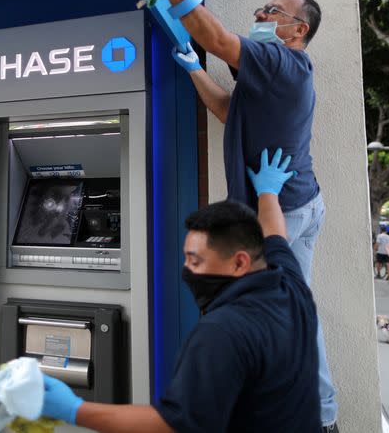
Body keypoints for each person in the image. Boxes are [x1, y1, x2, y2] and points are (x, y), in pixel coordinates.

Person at [154, 0, 337, 429]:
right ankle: (323, 415)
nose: (260, 13)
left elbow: (214, 36)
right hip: (300, 201)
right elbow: (227, 110)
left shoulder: (283, 62)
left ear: (300, 30)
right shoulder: (274, 75)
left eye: (273, 11)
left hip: (282, 209)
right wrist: (195, 70)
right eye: (262, 7)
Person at [40, 148, 322, 432]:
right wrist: (268, 192)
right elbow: (275, 234)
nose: (187, 270)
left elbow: (172, 424)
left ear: (239, 262)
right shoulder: (290, 287)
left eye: (196, 260)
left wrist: (74, 410)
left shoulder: (223, 330)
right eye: (187, 257)